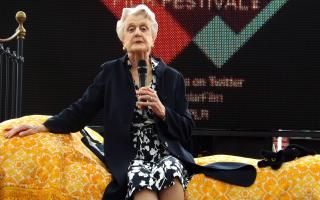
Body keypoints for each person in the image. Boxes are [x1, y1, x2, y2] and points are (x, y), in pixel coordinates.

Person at [4, 4, 257, 200]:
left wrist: (162, 111)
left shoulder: (172, 77)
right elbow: (80, 111)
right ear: (123, 39)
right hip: (130, 157)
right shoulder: (110, 73)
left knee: (172, 173)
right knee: (141, 184)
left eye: (143, 28)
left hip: (166, 154)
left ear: (154, 36)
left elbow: (186, 129)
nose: (137, 32)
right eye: (131, 28)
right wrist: (42, 126)